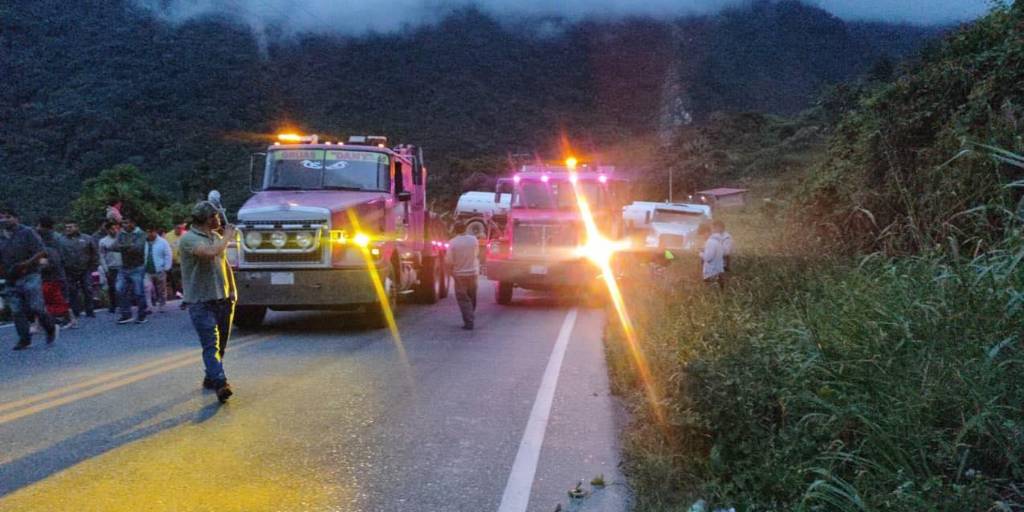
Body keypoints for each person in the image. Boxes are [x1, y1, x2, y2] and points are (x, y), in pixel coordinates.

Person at [179, 201, 237, 403]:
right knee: (210, 344)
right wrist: (228, 237)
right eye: (216, 216)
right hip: (201, 301)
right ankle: (221, 383)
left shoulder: (216, 237)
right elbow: (210, 253)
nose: (219, 219)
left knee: (221, 344)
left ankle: (210, 375)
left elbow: (224, 263)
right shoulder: (189, 239)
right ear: (207, 218)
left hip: (223, 298)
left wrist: (233, 290)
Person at [0, 205, 59, 350]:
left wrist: (26, 263)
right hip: (10, 278)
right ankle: (24, 339)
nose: (4, 220)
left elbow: (42, 251)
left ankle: (50, 328)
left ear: (16, 218)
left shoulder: (27, 232)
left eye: (8, 217)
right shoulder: (1, 237)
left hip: (30, 274)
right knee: (16, 310)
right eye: (1, 217)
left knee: (36, 307)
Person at [36, 216, 75, 328]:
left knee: (60, 297)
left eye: (38, 225)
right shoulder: (45, 237)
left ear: (43, 226)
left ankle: (70, 319)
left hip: (55, 273)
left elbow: (57, 258)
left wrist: (43, 264)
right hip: (49, 273)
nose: (37, 227)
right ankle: (56, 320)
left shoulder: (55, 239)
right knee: (52, 298)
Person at [114, 216, 149, 324]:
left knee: (138, 292)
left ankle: (142, 315)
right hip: (124, 266)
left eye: (126, 223)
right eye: (123, 223)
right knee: (120, 289)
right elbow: (113, 247)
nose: (124, 225)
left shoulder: (141, 234)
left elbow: (138, 248)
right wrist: (129, 246)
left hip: (137, 267)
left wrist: (122, 246)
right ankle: (126, 314)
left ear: (133, 223)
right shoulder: (121, 233)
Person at [445, 221, 479, 330]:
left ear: (455, 230)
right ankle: (471, 314)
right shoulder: (474, 240)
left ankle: (469, 321)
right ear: (465, 228)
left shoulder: (452, 243)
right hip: (473, 273)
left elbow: (449, 260)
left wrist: (450, 271)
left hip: (460, 274)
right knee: (472, 296)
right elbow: (476, 253)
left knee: (463, 299)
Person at [63, 220, 99, 318]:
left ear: (76, 227)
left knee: (88, 289)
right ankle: (76, 311)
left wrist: (94, 266)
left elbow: (95, 252)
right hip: (69, 270)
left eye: (70, 227)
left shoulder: (87, 238)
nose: (68, 229)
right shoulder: (61, 240)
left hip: (85, 268)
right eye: (66, 227)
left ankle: (90, 310)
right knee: (72, 291)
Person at [145, 227, 173, 312]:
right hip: (147, 270)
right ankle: (149, 306)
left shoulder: (163, 242)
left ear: (155, 232)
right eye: (148, 232)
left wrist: (167, 267)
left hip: (160, 269)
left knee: (161, 289)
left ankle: (162, 304)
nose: (150, 234)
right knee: (146, 288)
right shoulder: (144, 242)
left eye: (152, 232)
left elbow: (168, 254)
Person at [98, 222, 123, 314]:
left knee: (122, 287)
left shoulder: (121, 239)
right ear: (108, 230)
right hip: (111, 267)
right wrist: (105, 268)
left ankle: (123, 305)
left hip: (122, 266)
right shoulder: (103, 241)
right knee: (112, 287)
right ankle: (113, 305)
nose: (115, 230)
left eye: (116, 228)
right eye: (112, 229)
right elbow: (101, 256)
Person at [700, 221, 727, 288]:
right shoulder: (719, 241)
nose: (702, 237)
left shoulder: (710, 242)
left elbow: (708, 258)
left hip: (711, 273)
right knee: (718, 292)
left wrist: (701, 253)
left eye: (702, 234)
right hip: (719, 271)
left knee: (710, 292)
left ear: (707, 232)